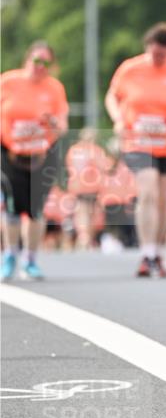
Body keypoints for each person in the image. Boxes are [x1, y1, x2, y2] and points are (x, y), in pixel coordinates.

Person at [104, 23, 166, 277]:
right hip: (138, 141)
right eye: (154, 54)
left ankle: (158, 252)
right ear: (147, 48)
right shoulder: (131, 69)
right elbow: (112, 96)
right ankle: (146, 253)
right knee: (148, 192)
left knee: (164, 199)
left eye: (162, 56)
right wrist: (118, 119)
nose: (158, 59)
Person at [0, 41, 69, 280]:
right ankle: (9, 255)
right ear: (27, 59)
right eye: (36, 61)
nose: (40, 67)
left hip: (42, 153)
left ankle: (29, 259)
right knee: (11, 205)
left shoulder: (54, 88)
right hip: (9, 151)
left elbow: (62, 126)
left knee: (36, 209)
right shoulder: (8, 82)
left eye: (46, 63)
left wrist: (52, 123)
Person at [65, 128, 114, 249]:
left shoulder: (73, 150)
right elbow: (106, 166)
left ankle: (84, 237)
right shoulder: (95, 150)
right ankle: (86, 238)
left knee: (82, 211)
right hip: (91, 187)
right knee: (89, 213)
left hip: (77, 186)